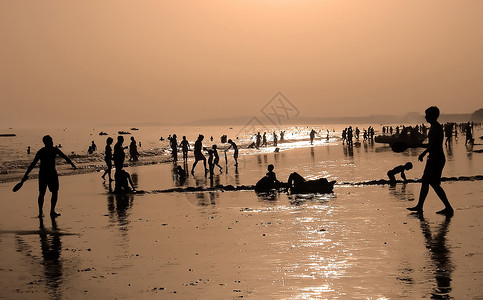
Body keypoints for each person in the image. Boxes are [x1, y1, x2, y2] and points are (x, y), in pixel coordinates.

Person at [407, 106, 454, 215]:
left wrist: (423, 152)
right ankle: (420, 206)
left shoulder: (436, 128)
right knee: (426, 182)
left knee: (433, 183)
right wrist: (419, 147)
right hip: (433, 158)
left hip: (436, 159)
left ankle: (448, 207)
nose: (425, 117)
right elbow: (431, 145)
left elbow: (433, 145)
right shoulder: (434, 127)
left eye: (427, 115)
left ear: (433, 116)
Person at [20, 135, 76, 218]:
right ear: (48, 141)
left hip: (43, 174)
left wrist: (25, 175)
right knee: (54, 192)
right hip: (51, 173)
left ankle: (41, 212)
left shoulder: (41, 151)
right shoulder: (54, 150)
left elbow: (33, 164)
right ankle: (51, 211)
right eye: (51, 140)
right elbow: (65, 157)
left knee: (42, 193)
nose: (53, 141)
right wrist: (72, 164)